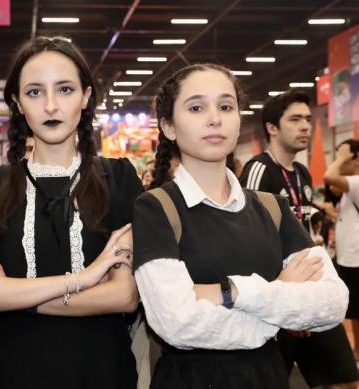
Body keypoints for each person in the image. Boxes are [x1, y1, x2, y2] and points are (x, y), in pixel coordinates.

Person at [132, 63, 349, 388]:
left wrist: (233, 291)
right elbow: (176, 323)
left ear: (238, 120)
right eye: (196, 107)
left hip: (269, 377)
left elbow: (332, 303)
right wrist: (279, 297)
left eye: (225, 106)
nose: (214, 118)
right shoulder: (156, 207)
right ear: (169, 126)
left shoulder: (272, 208)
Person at [0, 36, 141, 389]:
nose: (51, 106)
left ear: (86, 97)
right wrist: (81, 281)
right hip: (9, 370)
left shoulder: (118, 178)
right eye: (35, 92)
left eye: (66, 90)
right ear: (17, 102)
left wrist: (9, 293)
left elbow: (124, 296)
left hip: (100, 369)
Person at [240, 90, 358, 388]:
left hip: (312, 292)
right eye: (295, 119)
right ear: (272, 128)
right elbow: (246, 238)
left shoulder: (302, 173)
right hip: (279, 298)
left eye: (307, 119)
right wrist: (285, 303)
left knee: (345, 381)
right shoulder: (258, 170)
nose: (305, 126)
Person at [325, 139, 359, 360]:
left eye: (343, 157)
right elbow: (332, 186)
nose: (337, 162)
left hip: (356, 259)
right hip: (349, 257)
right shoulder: (350, 187)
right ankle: (357, 351)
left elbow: (328, 177)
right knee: (355, 312)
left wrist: (343, 158)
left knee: (357, 311)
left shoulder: (357, 181)